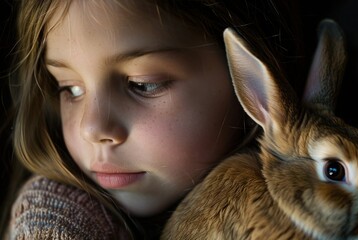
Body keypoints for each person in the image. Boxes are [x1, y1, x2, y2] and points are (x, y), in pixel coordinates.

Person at [0, 0, 304, 239]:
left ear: (247, 73)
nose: (91, 128)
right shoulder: (56, 218)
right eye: (70, 89)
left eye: (143, 84)